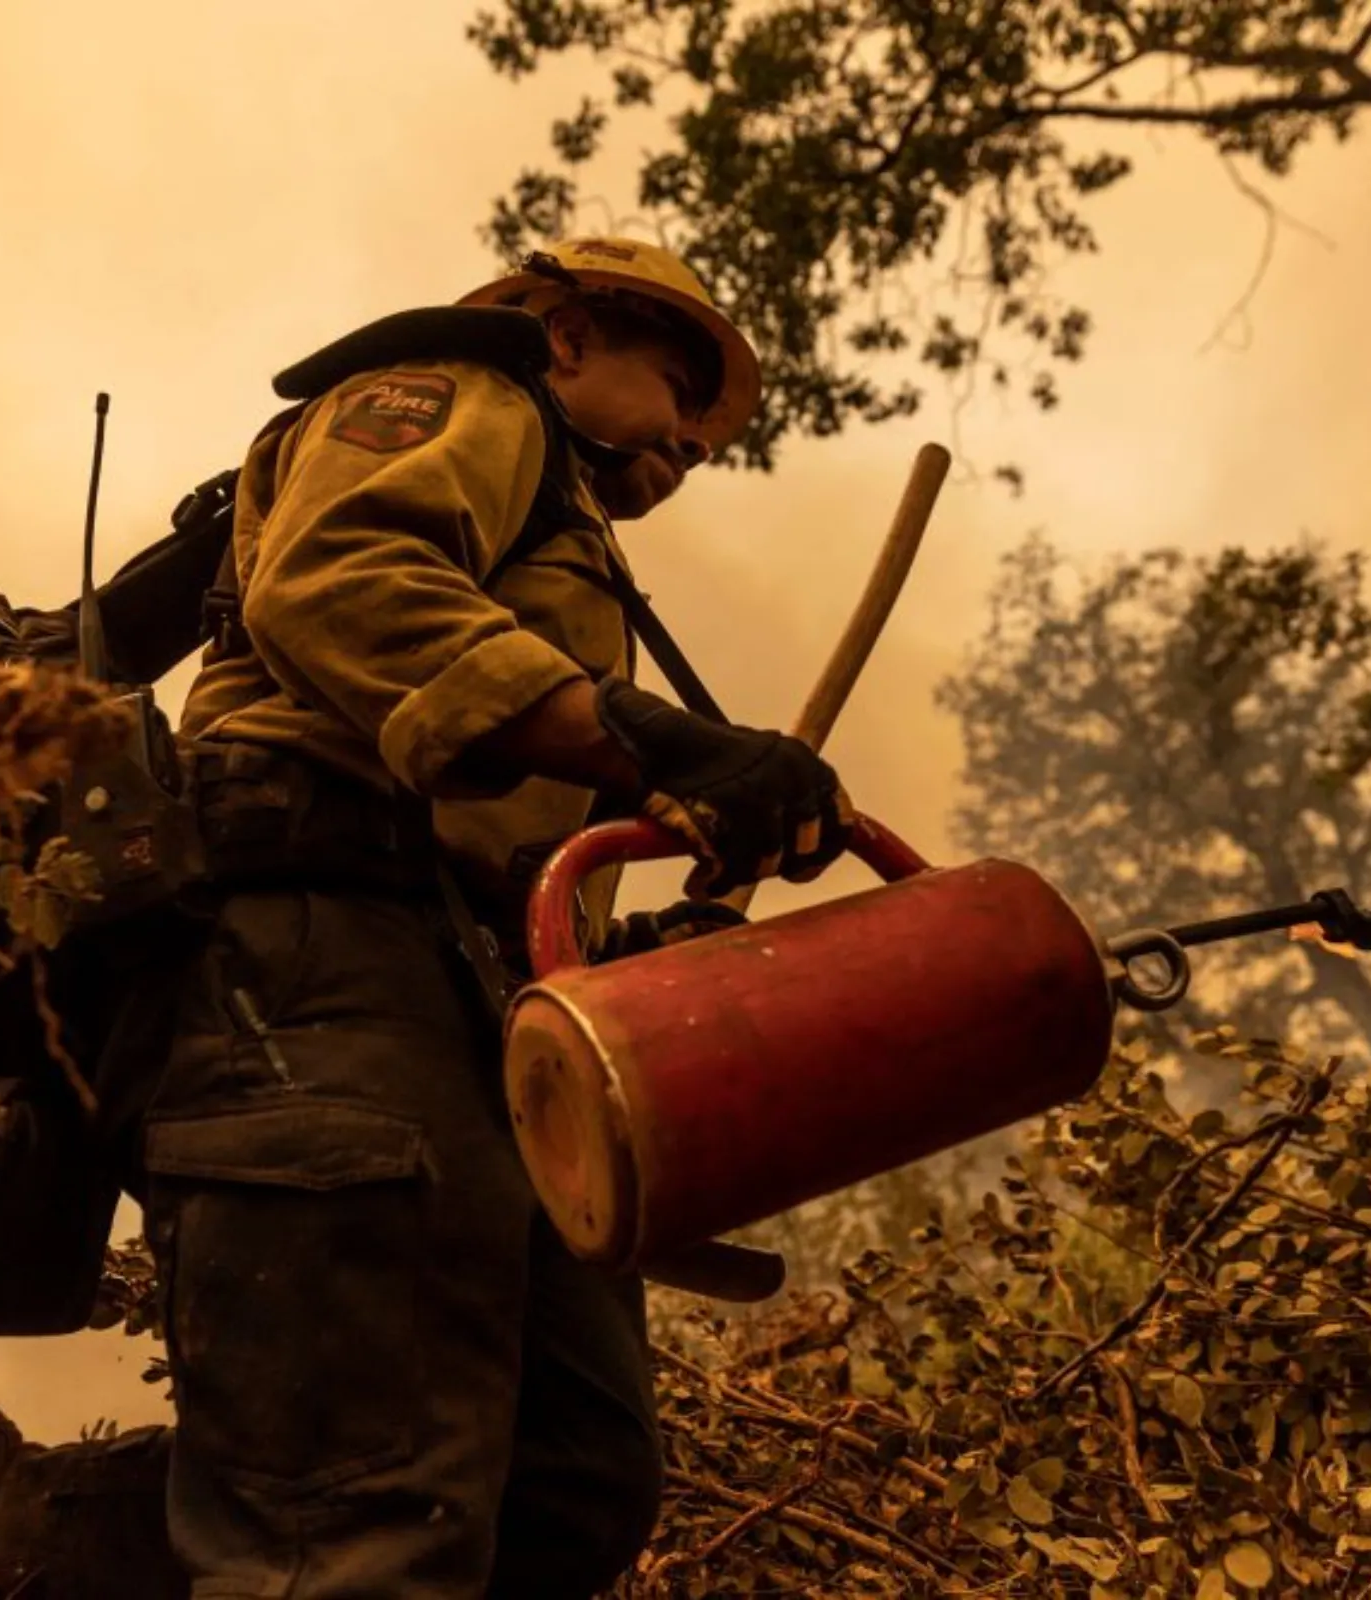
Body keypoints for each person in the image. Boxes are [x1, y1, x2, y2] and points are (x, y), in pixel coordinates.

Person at [119, 237, 854, 1599]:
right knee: (352, 1515)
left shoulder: (562, 534)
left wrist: (638, 955)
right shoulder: (466, 395)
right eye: (679, 380)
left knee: (571, 1479)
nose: (696, 438)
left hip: (473, 998)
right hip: (321, 950)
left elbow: (510, 855)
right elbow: (340, 582)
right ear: (568, 335)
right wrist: (654, 743)